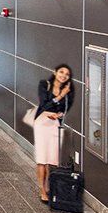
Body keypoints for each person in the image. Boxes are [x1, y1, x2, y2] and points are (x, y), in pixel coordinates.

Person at [33, 64, 75, 202]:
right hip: (41, 122)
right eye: (61, 72)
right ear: (55, 72)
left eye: (67, 74)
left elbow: (65, 109)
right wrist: (60, 96)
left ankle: (49, 187)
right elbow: (44, 105)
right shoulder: (44, 84)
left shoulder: (69, 91)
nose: (63, 75)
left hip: (54, 124)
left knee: (52, 159)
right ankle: (42, 190)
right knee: (42, 159)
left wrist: (59, 114)